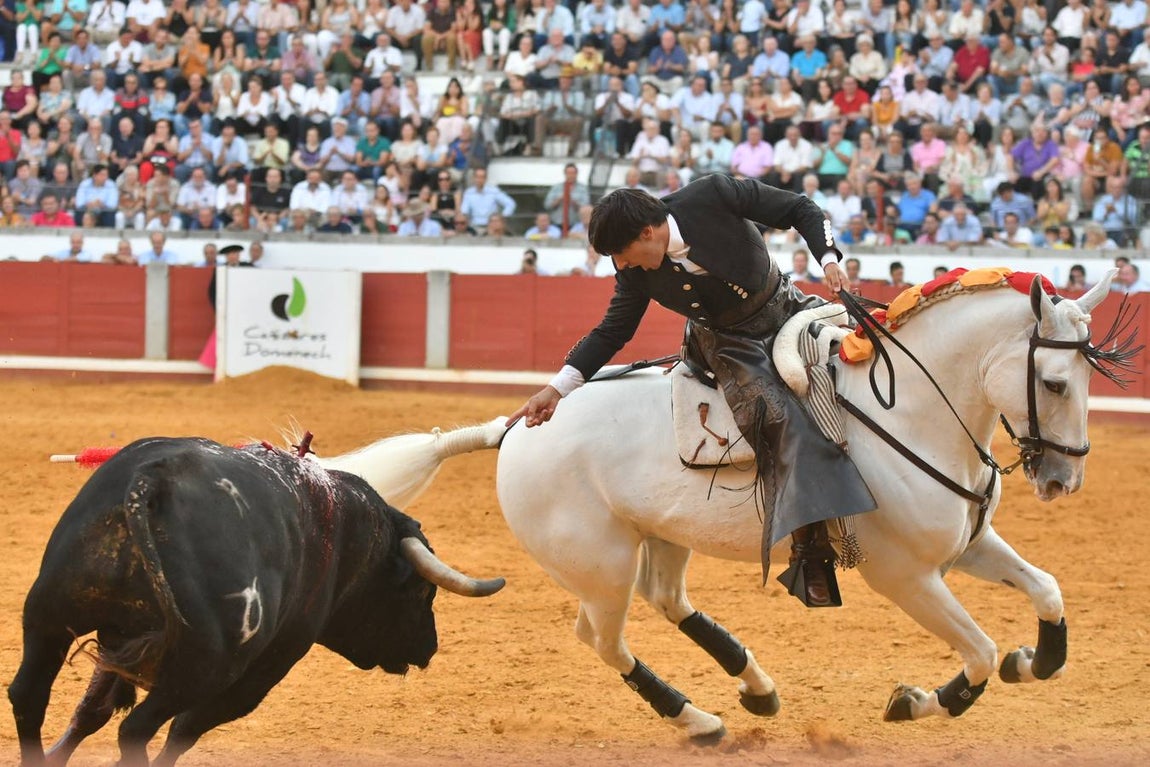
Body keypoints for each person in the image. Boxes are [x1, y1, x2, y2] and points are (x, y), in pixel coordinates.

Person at [507, 176, 875, 609]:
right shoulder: (633, 268)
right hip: (729, 344)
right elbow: (613, 331)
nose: (623, 267)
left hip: (785, 304)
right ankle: (810, 552)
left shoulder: (713, 195)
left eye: (624, 257)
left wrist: (829, 258)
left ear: (648, 233)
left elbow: (800, 208)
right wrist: (557, 388)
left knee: (875, 350)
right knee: (778, 418)